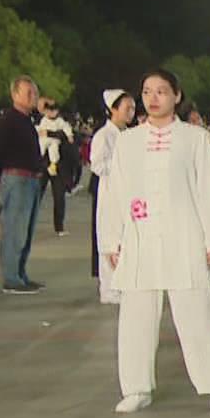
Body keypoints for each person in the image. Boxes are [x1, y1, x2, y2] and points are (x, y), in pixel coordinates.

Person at [99, 69, 210, 415]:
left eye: (161, 91)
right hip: (141, 238)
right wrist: (112, 240)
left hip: (184, 237)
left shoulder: (194, 138)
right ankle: (136, 387)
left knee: (197, 315)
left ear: (176, 95)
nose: (153, 98)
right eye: (147, 91)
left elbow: (206, 189)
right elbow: (114, 193)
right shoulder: (127, 143)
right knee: (136, 319)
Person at [0, 76, 46, 294]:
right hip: (16, 178)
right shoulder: (8, 120)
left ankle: (20, 274)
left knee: (26, 230)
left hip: (31, 179)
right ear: (15, 95)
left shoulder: (26, 121)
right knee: (15, 230)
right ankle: (11, 278)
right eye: (28, 93)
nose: (33, 97)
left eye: (35, 93)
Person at [90, 89, 136, 303]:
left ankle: (123, 283)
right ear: (113, 109)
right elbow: (97, 165)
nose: (131, 112)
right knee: (109, 239)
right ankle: (108, 289)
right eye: (127, 108)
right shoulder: (103, 136)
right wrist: (120, 166)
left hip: (127, 194)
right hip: (110, 194)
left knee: (126, 238)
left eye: (133, 108)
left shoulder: (129, 135)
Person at [36, 98, 78, 236]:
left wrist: (49, 134)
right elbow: (39, 134)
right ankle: (26, 224)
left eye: (54, 109)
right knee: (36, 195)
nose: (52, 112)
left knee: (59, 197)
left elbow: (65, 136)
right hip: (43, 164)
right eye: (49, 109)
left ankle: (59, 227)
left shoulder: (62, 122)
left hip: (58, 165)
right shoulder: (41, 120)